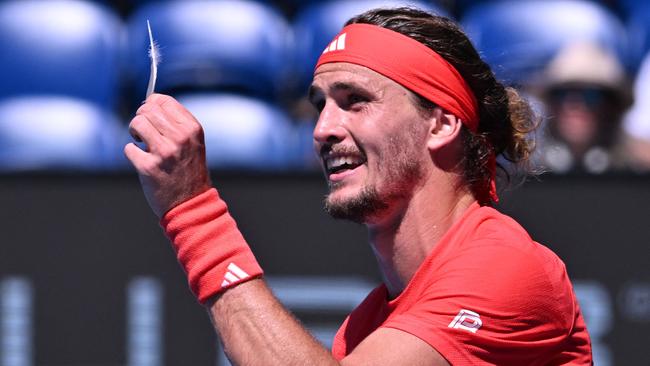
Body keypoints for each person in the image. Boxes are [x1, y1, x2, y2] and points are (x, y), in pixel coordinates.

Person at [125, 7, 592, 365]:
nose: (323, 127)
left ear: (442, 123)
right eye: (320, 104)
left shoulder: (506, 266)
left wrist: (192, 210)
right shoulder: (366, 328)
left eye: (355, 101)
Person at [537, 42, 632, 174]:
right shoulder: (523, 179)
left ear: (612, 108)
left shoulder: (637, 178)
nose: (573, 104)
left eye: (591, 95)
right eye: (561, 93)